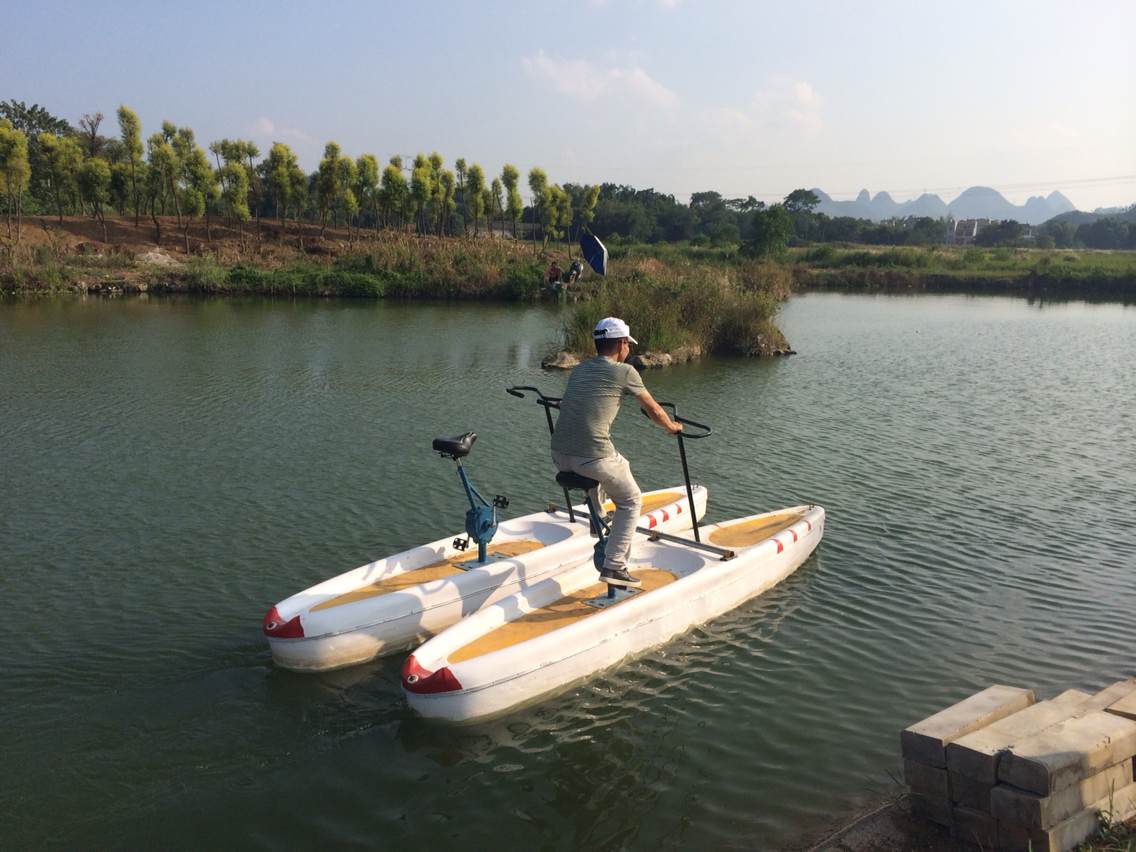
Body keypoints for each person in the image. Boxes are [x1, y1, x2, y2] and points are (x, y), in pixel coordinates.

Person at [551, 317, 682, 588]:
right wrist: (671, 427)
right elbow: (653, 410)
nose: (629, 350)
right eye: (628, 345)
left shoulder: (579, 370)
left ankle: (597, 520)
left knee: (619, 464)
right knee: (631, 500)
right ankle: (614, 566)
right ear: (622, 344)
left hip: (559, 455)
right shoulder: (625, 371)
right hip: (592, 456)